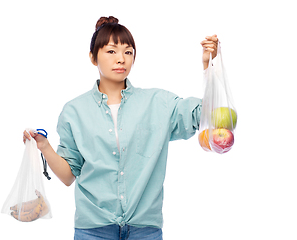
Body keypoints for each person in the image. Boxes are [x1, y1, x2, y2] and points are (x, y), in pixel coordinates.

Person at [24, 16, 218, 240]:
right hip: (93, 229)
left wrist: (209, 67)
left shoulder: (158, 103)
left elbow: (208, 115)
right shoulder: (74, 111)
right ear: (93, 57)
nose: (121, 59)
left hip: (144, 228)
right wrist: (45, 147)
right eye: (111, 51)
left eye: (128, 52)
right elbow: (69, 176)